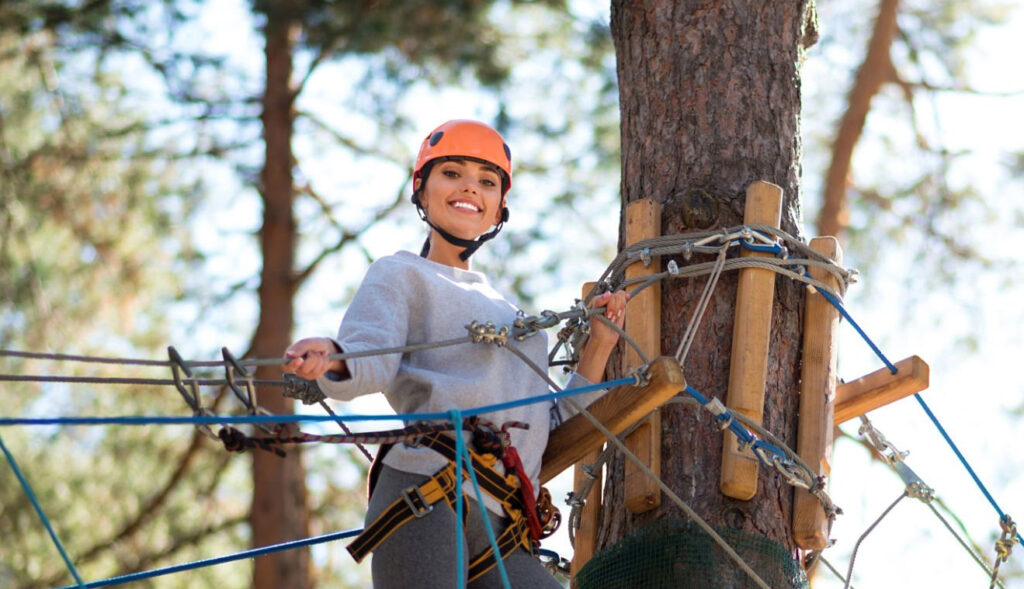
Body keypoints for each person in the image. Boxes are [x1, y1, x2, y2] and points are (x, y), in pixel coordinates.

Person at [283, 119, 628, 588]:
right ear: (421, 190)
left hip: (504, 522)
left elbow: (548, 427)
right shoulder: (400, 274)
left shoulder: (517, 320)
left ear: (498, 209)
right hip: (425, 489)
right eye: (452, 173)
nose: (470, 187)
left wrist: (599, 349)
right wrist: (332, 357)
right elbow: (371, 358)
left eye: (487, 182)